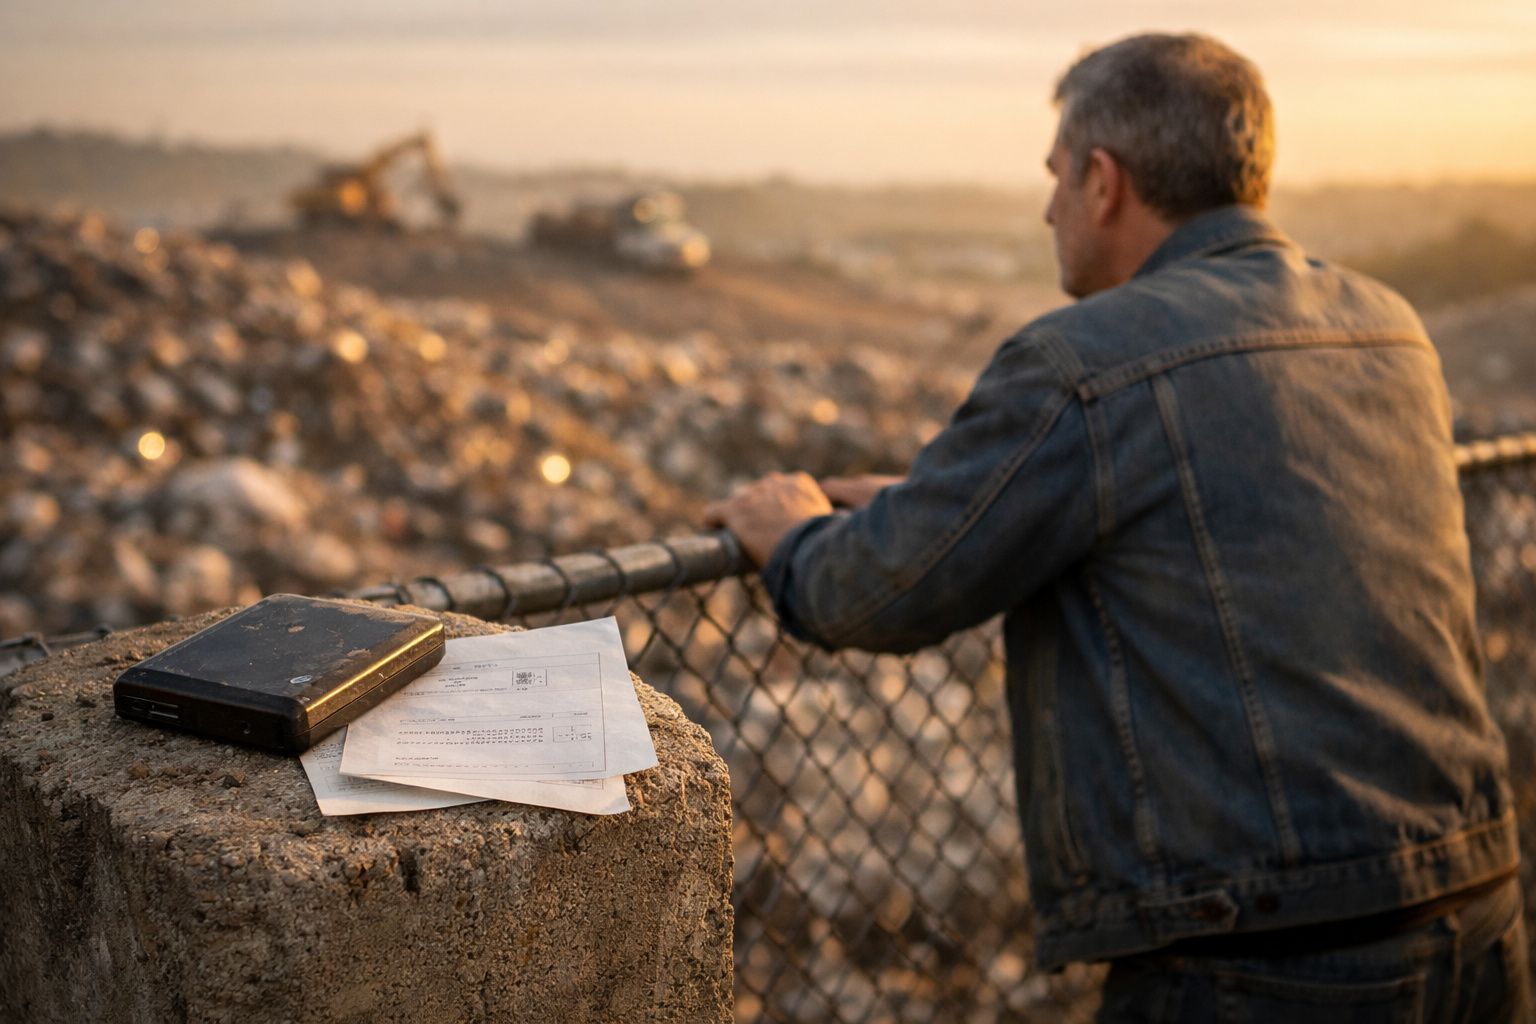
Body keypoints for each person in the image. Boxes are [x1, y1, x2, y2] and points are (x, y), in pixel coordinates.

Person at [704, 32, 1531, 1022]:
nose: (1046, 205)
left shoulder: (1083, 362)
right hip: (1474, 911)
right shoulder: (1387, 326)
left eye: (1055, 175)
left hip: (1258, 962)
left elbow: (871, 592)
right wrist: (963, 497)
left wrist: (789, 533)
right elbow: (1228, 495)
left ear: (1104, 180)